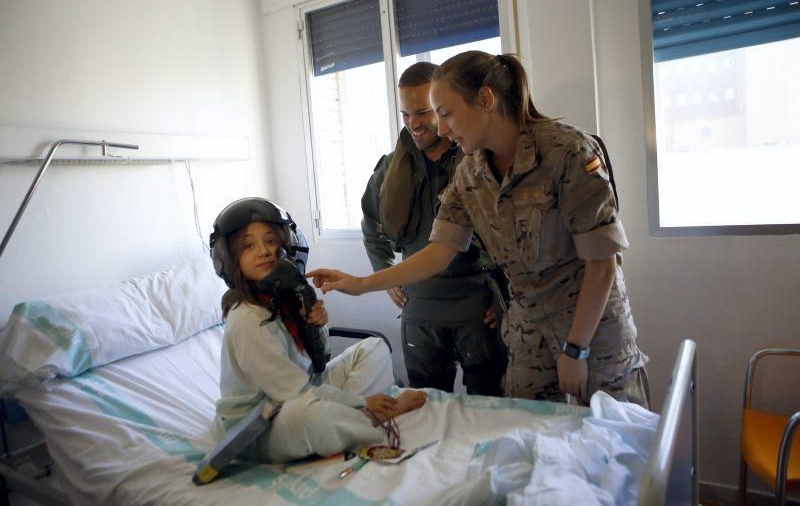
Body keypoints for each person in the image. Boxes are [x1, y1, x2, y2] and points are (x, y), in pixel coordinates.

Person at [308, 51, 650, 408]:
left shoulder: (568, 152)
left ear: (486, 100)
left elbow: (602, 263)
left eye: (445, 113)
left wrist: (577, 349)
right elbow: (439, 251)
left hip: (592, 330)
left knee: (613, 441)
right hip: (527, 336)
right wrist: (361, 284)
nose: (441, 129)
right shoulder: (470, 172)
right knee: (529, 441)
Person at [209, 197, 427, 463]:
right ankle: (369, 417)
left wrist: (317, 327)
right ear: (228, 259)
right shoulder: (246, 318)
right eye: (248, 246)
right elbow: (292, 391)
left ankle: (351, 419)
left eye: (270, 241)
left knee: (372, 348)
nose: (264, 251)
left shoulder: (284, 299)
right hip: (257, 425)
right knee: (307, 415)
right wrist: (362, 403)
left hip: (300, 391)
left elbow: (318, 362)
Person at [361, 61, 507, 396]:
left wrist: (504, 301)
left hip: (477, 309)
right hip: (420, 312)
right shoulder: (389, 168)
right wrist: (384, 271)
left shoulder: (478, 161)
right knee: (424, 408)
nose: (414, 124)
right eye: (405, 115)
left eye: (423, 112)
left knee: (489, 409)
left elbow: (513, 237)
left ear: (442, 107)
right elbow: (371, 223)